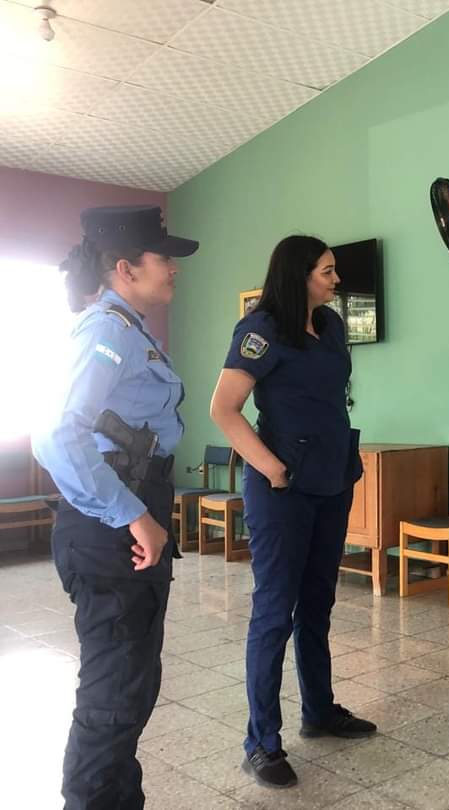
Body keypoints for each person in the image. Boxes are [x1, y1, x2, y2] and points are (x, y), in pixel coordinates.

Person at [32, 205, 199, 810]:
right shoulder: (106, 332)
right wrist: (133, 515)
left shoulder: (127, 330)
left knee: (131, 684)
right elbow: (57, 435)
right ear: (126, 268)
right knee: (113, 694)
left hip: (126, 513)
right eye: (164, 257)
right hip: (110, 526)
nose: (174, 268)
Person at [209, 235, 371, 789]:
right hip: (282, 490)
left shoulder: (329, 328)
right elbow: (224, 409)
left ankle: (319, 711)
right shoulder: (261, 330)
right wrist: (273, 468)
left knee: (318, 603)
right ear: (300, 274)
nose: (335, 280)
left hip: (332, 480)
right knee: (275, 612)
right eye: (327, 271)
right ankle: (261, 742)